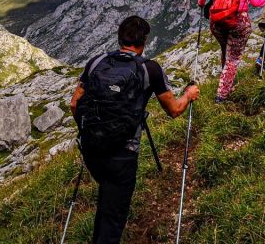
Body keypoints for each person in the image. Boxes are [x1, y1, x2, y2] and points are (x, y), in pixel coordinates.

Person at [69, 15, 200, 244]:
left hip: (91, 149)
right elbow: (174, 110)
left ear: (120, 38)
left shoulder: (96, 62)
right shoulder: (150, 69)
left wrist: (89, 130)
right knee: (114, 218)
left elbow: (74, 103)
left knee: (107, 196)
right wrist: (189, 95)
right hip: (123, 154)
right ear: (144, 41)